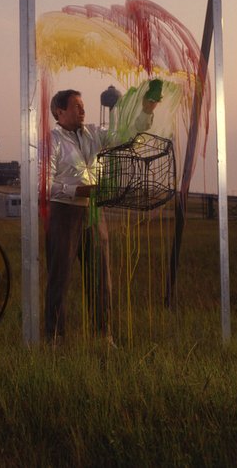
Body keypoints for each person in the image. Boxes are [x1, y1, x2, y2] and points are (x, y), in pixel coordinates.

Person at [45, 87, 159, 344]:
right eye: (76, 106)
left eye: (83, 105)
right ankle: (55, 339)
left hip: (95, 212)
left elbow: (126, 137)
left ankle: (103, 335)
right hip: (64, 213)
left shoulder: (94, 134)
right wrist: (77, 190)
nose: (82, 110)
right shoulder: (51, 141)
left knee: (100, 277)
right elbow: (43, 184)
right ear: (59, 111)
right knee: (59, 277)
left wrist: (146, 112)